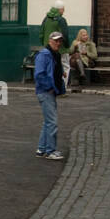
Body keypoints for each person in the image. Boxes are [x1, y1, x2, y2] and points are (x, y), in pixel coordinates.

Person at [34, 31, 66, 160]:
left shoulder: (54, 54)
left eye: (60, 41)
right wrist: (50, 87)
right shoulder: (44, 54)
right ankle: (50, 150)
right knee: (52, 122)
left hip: (49, 92)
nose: (58, 43)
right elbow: (39, 74)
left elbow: (53, 69)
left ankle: (41, 149)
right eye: (56, 40)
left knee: (47, 122)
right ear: (50, 40)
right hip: (46, 92)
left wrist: (61, 73)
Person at [40, 0, 70, 85]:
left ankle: (51, 87)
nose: (64, 11)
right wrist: (67, 46)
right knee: (65, 67)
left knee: (50, 68)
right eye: (63, 9)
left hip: (48, 48)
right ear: (59, 9)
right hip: (60, 49)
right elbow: (65, 35)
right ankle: (62, 89)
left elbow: (41, 34)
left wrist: (45, 45)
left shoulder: (46, 19)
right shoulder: (61, 20)